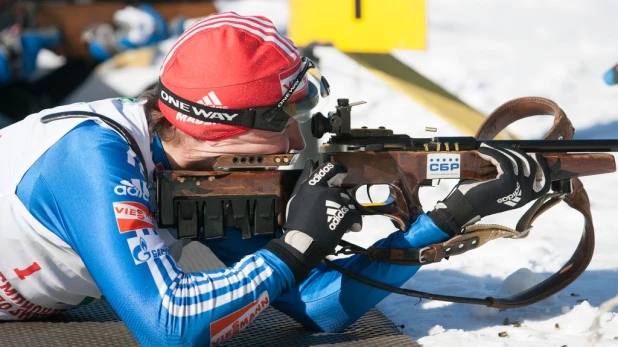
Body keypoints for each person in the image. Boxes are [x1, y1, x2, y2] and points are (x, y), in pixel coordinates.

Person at [0, 12, 551, 346]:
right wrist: (292, 250)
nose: (295, 139)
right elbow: (170, 328)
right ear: (226, 126)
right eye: (285, 118)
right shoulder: (88, 156)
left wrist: (448, 218)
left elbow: (321, 308)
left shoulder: (202, 171)